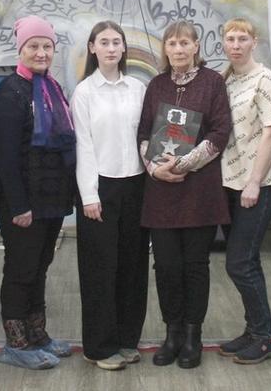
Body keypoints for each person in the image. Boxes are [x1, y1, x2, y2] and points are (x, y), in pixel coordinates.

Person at [139, 20, 231, 370]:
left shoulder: (213, 82)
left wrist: (184, 164)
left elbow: (220, 132)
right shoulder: (156, 85)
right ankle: (172, 334)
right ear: (165, 49)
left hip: (199, 190)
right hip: (160, 192)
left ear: (196, 47)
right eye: (172, 43)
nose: (178, 49)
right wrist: (155, 168)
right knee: (165, 266)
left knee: (195, 265)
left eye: (184, 43)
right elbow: (143, 133)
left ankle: (193, 335)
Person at [0, 15, 76, 370]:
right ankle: (16, 343)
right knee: (21, 269)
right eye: (33, 46)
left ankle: (37, 334)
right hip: (22, 201)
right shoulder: (10, 92)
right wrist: (18, 205)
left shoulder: (52, 88)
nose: (41, 53)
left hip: (50, 199)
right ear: (20, 49)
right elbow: (6, 156)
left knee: (40, 268)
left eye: (47, 46)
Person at [72, 21, 149, 371]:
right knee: (100, 269)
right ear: (92, 48)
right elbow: (83, 145)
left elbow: (146, 137)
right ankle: (99, 347)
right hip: (99, 188)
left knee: (132, 266)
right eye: (104, 42)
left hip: (136, 185)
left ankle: (127, 339)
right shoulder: (84, 92)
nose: (111, 48)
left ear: (124, 48)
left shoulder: (138, 88)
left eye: (117, 42)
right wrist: (89, 195)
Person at [216, 18, 271, 365]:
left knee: (239, 263)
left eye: (242, 38)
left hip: (256, 184)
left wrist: (254, 182)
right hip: (227, 183)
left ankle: (266, 337)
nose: (236, 44)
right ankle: (254, 329)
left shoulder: (266, 80)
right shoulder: (226, 79)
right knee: (247, 261)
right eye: (230, 39)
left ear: (254, 42)